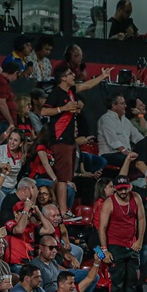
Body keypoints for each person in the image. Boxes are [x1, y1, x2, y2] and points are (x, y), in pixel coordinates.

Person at [42, 65, 112, 216]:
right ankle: (62, 211)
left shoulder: (71, 91)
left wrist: (102, 77)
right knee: (62, 179)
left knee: (67, 178)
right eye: (70, 74)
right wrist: (64, 108)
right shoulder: (56, 93)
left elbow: (86, 85)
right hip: (60, 141)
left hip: (69, 141)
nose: (74, 75)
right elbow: (44, 111)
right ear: (63, 78)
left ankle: (65, 210)